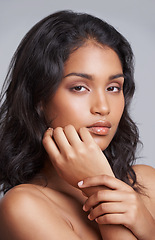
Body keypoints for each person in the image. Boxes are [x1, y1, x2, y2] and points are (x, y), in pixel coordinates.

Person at [0, 10, 155, 240]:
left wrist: (148, 227)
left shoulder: (147, 184)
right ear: (38, 99)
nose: (103, 107)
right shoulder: (23, 207)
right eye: (79, 87)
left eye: (113, 87)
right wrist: (101, 191)